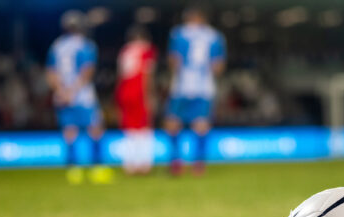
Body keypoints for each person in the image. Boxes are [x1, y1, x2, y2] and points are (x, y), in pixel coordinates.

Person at [46, 10, 111, 184]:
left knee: (69, 131)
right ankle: (98, 168)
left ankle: (73, 170)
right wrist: (72, 91)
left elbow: (51, 72)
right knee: (95, 129)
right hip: (82, 96)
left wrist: (61, 91)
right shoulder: (86, 45)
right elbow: (87, 71)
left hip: (62, 95)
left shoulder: (57, 46)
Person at [164, 6, 226, 176]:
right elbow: (218, 65)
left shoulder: (179, 33)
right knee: (201, 124)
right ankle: (199, 164)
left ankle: (176, 162)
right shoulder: (214, 36)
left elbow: (174, 59)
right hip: (204, 86)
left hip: (182, 85)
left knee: (172, 122)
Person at [115, 26, 157, 175]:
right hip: (139, 92)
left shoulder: (125, 51)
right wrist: (148, 96)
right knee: (144, 128)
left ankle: (130, 165)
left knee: (129, 129)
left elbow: (120, 75)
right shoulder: (147, 50)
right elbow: (147, 75)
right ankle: (144, 164)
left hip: (124, 92)